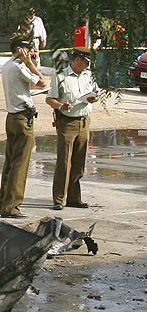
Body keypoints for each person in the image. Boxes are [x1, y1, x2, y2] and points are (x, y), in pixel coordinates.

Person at [0, 33, 46, 218]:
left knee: (10, 162)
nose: (32, 52)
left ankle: (3, 203)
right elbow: (41, 82)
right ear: (20, 50)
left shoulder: (8, 66)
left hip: (12, 117)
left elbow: (27, 85)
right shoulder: (19, 67)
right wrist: (30, 63)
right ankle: (11, 207)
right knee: (20, 165)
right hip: (22, 119)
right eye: (29, 49)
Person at [45, 47, 99, 210]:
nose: (87, 66)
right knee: (64, 161)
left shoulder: (88, 75)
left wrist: (93, 98)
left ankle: (74, 198)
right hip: (67, 122)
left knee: (79, 161)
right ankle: (59, 199)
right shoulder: (61, 77)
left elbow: (95, 92)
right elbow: (50, 99)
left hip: (84, 121)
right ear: (77, 59)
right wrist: (61, 105)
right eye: (86, 62)